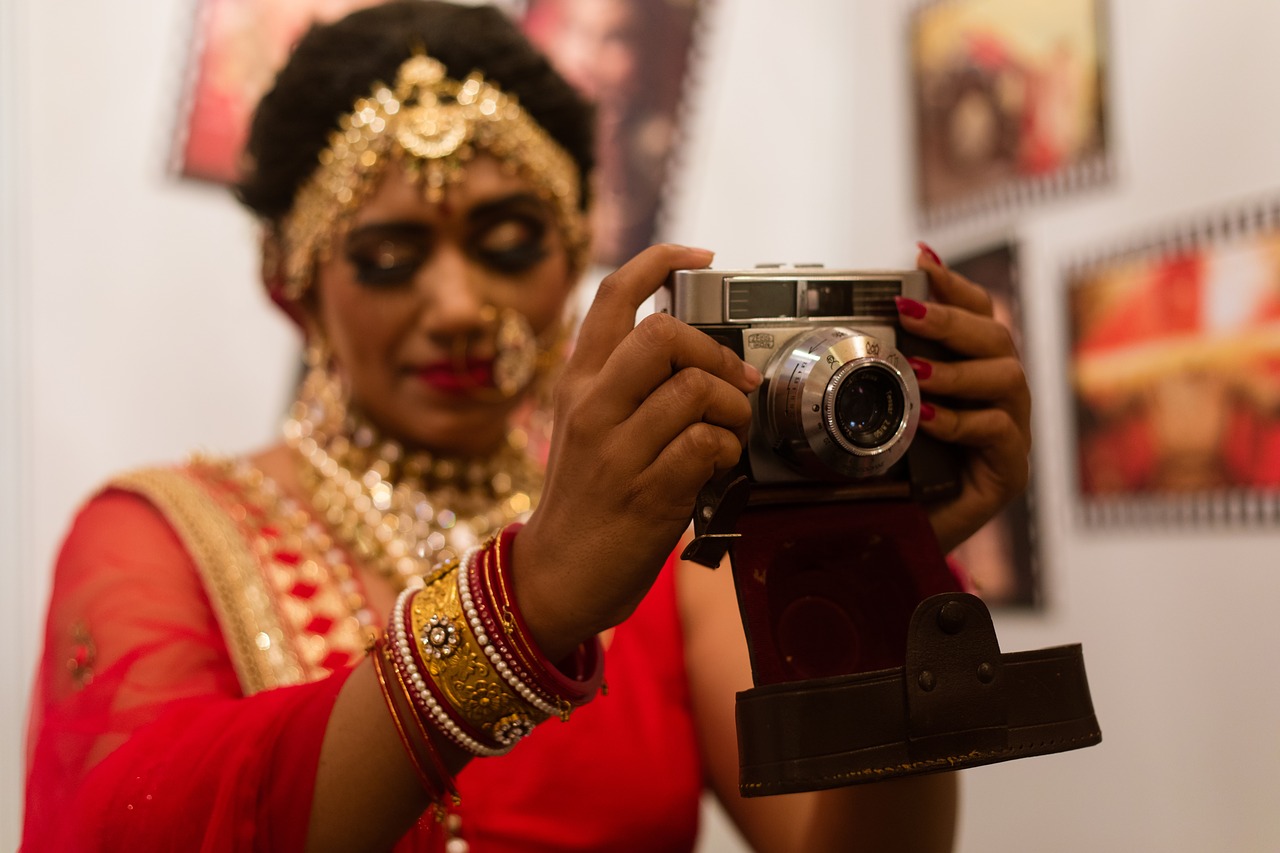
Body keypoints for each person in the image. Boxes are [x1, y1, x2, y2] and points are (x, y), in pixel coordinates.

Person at [21, 2, 1032, 851]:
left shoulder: (673, 533)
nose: (459, 304)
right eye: (387, 255)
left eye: (508, 243)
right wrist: (521, 605)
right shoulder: (157, 534)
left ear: (570, 255)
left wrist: (883, 577)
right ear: (292, 283)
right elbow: (132, 822)